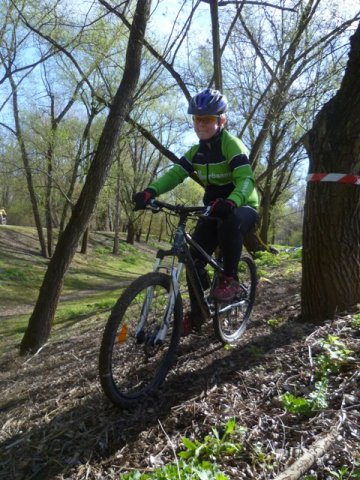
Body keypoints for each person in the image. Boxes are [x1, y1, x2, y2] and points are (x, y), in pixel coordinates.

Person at [134, 88, 259, 330]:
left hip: (243, 204)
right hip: (214, 207)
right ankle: (200, 312)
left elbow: (246, 178)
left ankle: (229, 279)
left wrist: (232, 201)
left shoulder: (231, 145)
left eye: (207, 119)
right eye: (197, 119)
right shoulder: (196, 152)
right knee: (192, 261)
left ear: (221, 120)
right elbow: (176, 174)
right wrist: (151, 192)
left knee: (231, 221)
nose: (200, 124)